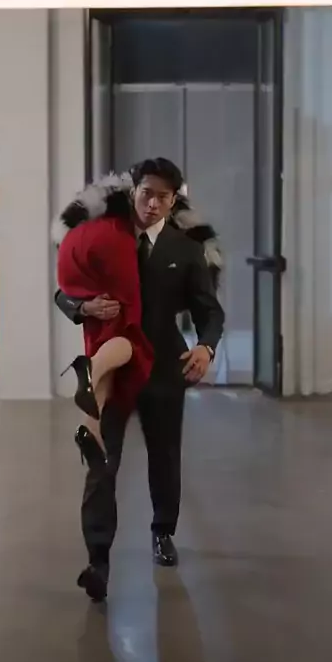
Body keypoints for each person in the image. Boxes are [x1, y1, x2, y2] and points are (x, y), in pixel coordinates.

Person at [55, 158, 224, 602]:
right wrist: (83, 307)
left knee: (164, 456)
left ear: (173, 200)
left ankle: (162, 531)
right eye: (146, 193)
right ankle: (98, 560)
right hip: (115, 366)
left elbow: (210, 312)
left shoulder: (185, 249)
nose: (152, 204)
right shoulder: (104, 236)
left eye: (163, 197)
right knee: (101, 461)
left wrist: (206, 347)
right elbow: (64, 290)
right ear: (133, 190)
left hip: (165, 366)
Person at [54, 173, 154, 461]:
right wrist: (85, 307)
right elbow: (61, 296)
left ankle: (90, 429)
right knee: (130, 338)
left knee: (106, 343)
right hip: (107, 249)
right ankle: (91, 369)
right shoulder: (121, 229)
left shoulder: (88, 221)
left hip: (74, 250)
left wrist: (86, 306)